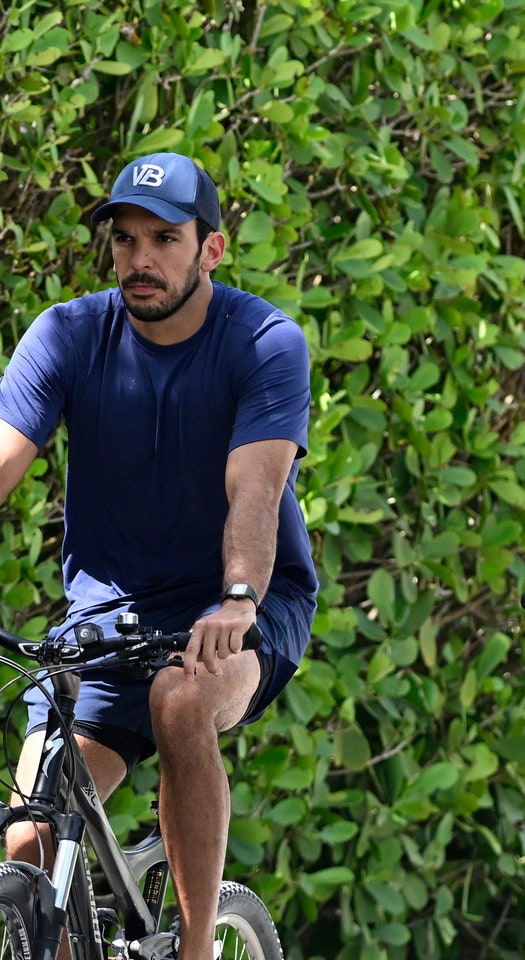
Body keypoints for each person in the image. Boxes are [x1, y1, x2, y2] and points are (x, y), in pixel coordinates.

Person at [0, 153, 319, 960]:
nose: (140, 259)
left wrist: (239, 596)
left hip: (244, 610)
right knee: (26, 852)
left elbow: (255, 484)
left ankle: (199, 945)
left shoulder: (264, 340)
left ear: (210, 249)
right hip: (107, 620)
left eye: (164, 239)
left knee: (183, 699)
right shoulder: (69, 334)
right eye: (125, 238)